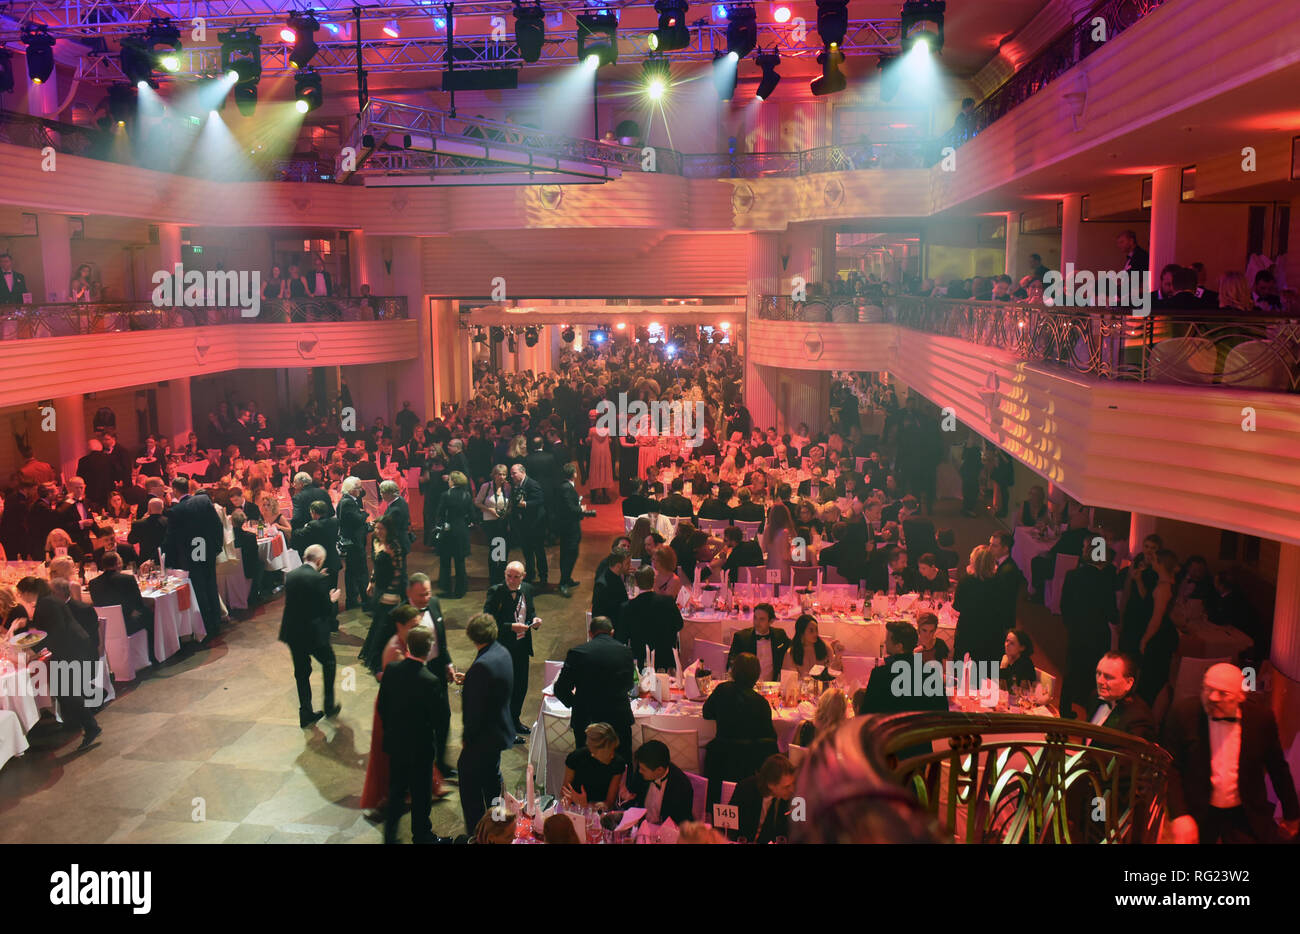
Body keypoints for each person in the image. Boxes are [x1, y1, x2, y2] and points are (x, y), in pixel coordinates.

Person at [1161, 663, 1300, 844]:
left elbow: (1278, 768)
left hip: (1244, 811)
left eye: (1223, 693)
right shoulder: (1182, 713)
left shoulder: (1261, 719)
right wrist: (1180, 815)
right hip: (1198, 808)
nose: (1212, 698)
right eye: (1207, 689)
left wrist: (1292, 814)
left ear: (1241, 696)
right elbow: (1171, 767)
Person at [377, 624, 452, 844]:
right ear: (429, 650)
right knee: (420, 795)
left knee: (397, 790)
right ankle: (422, 835)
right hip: (420, 748)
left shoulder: (392, 670)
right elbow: (440, 720)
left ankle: (389, 836)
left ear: (408, 646)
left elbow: (382, 706)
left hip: (396, 743)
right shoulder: (431, 681)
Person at [17, 577, 101, 748]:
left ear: (27, 591)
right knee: (62, 689)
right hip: (69, 646)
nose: (20, 597)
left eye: (21, 593)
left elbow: (55, 630)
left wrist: (35, 650)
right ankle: (74, 723)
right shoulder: (47, 601)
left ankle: (91, 726)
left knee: (67, 691)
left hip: (70, 647)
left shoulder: (46, 603)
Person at [458, 612, 515, 835]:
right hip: (499, 732)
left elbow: (474, 712)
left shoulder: (481, 667)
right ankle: (498, 824)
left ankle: (477, 833)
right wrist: (471, 679)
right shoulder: (501, 652)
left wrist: (466, 739)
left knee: (470, 787)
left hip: (482, 738)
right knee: (492, 781)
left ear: (472, 636)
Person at [554, 615, 637, 756]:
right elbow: (629, 685)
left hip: (587, 721)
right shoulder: (626, 652)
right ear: (612, 632)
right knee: (620, 765)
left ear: (590, 633)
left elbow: (560, 689)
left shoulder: (577, 653)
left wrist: (577, 704)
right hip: (618, 719)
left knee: (587, 766)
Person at [279, 545, 343, 728]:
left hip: (292, 632)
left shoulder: (291, 575)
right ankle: (329, 706)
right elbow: (324, 610)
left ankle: (305, 712)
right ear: (319, 561)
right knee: (329, 662)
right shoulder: (318, 580)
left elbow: (301, 598)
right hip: (313, 633)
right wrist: (332, 599)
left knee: (301, 672)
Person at [703, 653, 778, 803]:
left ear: (734, 671)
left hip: (720, 759)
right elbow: (769, 739)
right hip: (748, 764)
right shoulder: (761, 703)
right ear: (756, 675)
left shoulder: (722, 690)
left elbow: (707, 713)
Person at [482, 561, 538, 738]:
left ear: (524, 576)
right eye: (509, 576)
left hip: (522, 647)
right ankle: (504, 728)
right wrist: (509, 627)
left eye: (516, 577)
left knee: (520, 687)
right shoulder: (495, 592)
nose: (512, 580)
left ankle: (514, 721)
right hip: (503, 648)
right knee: (505, 688)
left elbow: (530, 613)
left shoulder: (527, 589)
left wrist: (535, 620)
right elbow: (487, 621)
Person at [163, 477, 224, 639]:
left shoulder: (176, 511)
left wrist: (168, 562)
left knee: (199, 588)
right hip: (206, 549)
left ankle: (207, 624)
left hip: (191, 554)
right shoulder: (204, 501)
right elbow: (217, 525)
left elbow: (171, 538)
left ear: (175, 490)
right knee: (211, 584)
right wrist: (217, 546)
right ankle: (216, 620)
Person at [360, 515, 407, 673]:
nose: (378, 531)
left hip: (391, 590)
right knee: (377, 622)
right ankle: (374, 657)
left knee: (385, 625)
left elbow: (399, 572)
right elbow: (376, 567)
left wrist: (392, 593)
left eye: (382, 528)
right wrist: (371, 582)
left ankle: (384, 660)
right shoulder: (375, 541)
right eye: (376, 528)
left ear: (388, 529)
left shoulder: (394, 546)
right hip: (379, 587)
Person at [87, 550, 155, 658]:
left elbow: (97, 603)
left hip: (105, 626)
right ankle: (152, 654)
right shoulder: (127, 579)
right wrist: (132, 612)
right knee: (149, 614)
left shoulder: (93, 583)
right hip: (127, 624)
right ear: (118, 564)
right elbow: (138, 604)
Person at [1136, 548, 1178, 705]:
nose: (1150, 561)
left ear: (1160, 564)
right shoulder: (1166, 583)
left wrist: (1145, 640)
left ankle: (1146, 716)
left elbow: (1156, 619)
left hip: (1159, 636)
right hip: (1164, 633)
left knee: (1152, 679)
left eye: (1153, 559)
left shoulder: (1163, 587)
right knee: (1157, 678)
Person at [620, 566, 683, 668]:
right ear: (654, 581)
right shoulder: (668, 602)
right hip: (666, 659)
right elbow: (679, 625)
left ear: (635, 582)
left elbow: (623, 637)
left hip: (641, 660)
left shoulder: (627, 607)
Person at [623, 740, 695, 827]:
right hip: (641, 825)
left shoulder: (682, 786)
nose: (639, 771)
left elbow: (682, 821)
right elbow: (632, 798)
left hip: (666, 830)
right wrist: (625, 798)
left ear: (659, 770)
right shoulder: (642, 770)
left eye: (643, 769)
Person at [730, 754, 797, 844]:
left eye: (793, 784)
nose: (792, 789)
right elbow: (729, 826)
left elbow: (798, 832)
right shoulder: (745, 790)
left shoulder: (795, 798)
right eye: (787, 787)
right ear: (771, 785)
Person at [1087, 652, 1156, 740]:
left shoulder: (1139, 718)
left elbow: (1129, 753)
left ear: (1128, 683)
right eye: (1098, 673)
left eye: (1108, 677)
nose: (1100, 681)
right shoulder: (1095, 696)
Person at [561, 722, 626, 812]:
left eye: (614, 749)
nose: (612, 755)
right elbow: (565, 791)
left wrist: (587, 805)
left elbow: (609, 803)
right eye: (609, 751)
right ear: (594, 750)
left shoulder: (617, 764)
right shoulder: (576, 758)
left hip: (599, 813)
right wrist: (569, 799)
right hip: (575, 810)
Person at [953, 545, 1001, 664]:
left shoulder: (965, 581)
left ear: (973, 561)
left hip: (968, 629)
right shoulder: (999, 581)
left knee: (964, 670)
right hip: (991, 630)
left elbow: (957, 606)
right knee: (987, 669)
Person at [435, 471, 474, 598]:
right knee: (460, 561)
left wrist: (439, 526)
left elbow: (440, 513)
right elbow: (472, 515)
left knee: (445, 561)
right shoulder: (467, 495)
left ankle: (446, 587)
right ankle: (460, 590)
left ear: (453, 481)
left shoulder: (445, 495)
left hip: (448, 531)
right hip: (462, 530)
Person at [727, 602, 790, 681]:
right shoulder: (741, 638)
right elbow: (731, 662)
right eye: (755, 618)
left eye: (762, 619)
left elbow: (792, 649)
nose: (757, 622)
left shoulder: (779, 635)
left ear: (771, 621)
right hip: (748, 686)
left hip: (772, 686)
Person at [508, 463, 547, 587]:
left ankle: (543, 577)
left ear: (522, 472)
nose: (512, 475)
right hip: (523, 525)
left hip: (535, 525)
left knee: (539, 552)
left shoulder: (532, 484)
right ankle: (530, 574)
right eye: (511, 473)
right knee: (527, 551)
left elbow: (540, 500)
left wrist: (525, 504)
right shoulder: (515, 485)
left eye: (514, 473)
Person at [337, 476, 371, 611]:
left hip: (352, 542)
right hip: (355, 543)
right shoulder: (348, 503)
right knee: (361, 573)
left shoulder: (348, 500)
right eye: (358, 488)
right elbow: (357, 519)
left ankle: (352, 599)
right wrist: (364, 514)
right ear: (351, 490)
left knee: (351, 573)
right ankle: (365, 600)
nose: (360, 490)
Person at [554, 464, 587, 597]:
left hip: (569, 527)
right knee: (570, 554)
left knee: (570, 553)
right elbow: (570, 508)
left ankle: (567, 579)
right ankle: (563, 582)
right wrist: (581, 509)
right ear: (574, 474)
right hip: (569, 528)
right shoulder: (567, 488)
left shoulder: (565, 486)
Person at [783, 613, 843, 680]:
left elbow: (833, 672)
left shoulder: (825, 648)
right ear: (801, 633)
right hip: (801, 688)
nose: (816, 634)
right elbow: (790, 680)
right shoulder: (791, 653)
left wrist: (837, 656)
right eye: (811, 631)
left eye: (816, 630)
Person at [591, 547, 631, 639]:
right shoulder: (602, 585)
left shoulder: (616, 576)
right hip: (610, 632)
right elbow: (598, 615)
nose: (630, 565)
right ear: (618, 565)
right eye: (627, 563)